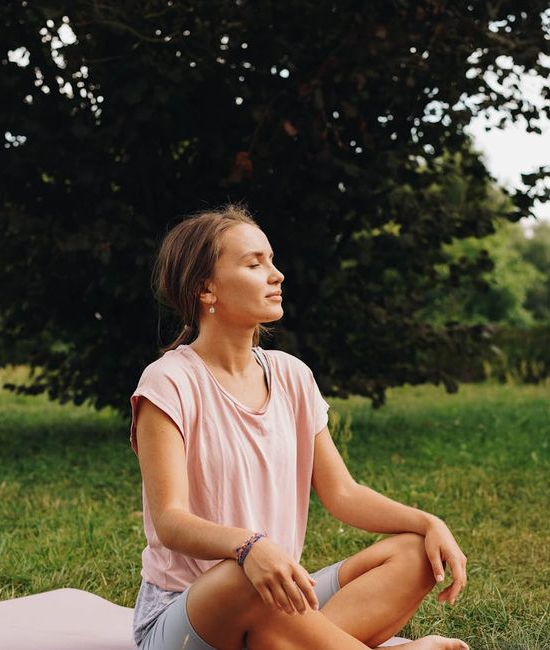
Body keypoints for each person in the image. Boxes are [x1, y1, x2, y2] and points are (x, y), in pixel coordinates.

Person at [129, 204, 469, 650]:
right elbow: (170, 520)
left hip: (276, 594)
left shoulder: (292, 375)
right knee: (242, 575)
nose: (277, 275)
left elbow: (342, 493)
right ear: (205, 288)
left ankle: (293, 641)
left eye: (271, 260)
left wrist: (429, 522)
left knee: (416, 553)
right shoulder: (169, 381)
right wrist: (249, 546)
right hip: (190, 614)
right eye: (254, 264)